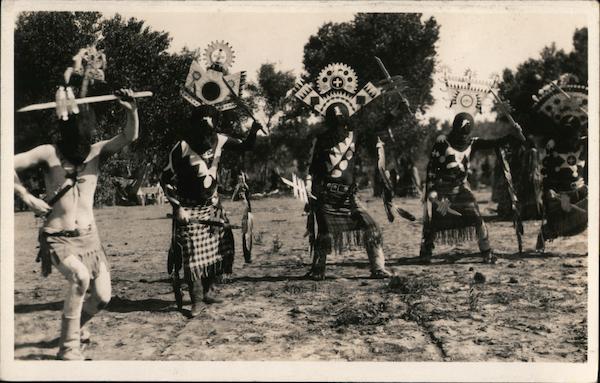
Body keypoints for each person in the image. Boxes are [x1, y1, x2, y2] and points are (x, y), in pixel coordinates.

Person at [14, 46, 139, 360]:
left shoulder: (96, 151)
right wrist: (25, 196)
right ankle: (67, 351)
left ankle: (77, 326)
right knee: (80, 279)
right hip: (59, 240)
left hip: (91, 241)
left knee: (104, 298)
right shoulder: (48, 153)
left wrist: (131, 109)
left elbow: (128, 137)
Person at [161, 105, 262, 317]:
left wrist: (254, 129)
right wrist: (177, 207)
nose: (206, 126)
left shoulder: (220, 139)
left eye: (210, 121)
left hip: (213, 206)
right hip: (188, 209)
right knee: (192, 255)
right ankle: (196, 300)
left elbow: (246, 146)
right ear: (193, 125)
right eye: (201, 122)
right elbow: (165, 180)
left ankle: (208, 291)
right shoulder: (181, 147)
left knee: (222, 248)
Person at [419, 112, 524, 264]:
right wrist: (431, 189)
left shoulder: (472, 143)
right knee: (437, 220)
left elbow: (495, 142)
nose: (463, 132)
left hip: (461, 189)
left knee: (476, 216)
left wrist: (513, 133)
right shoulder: (442, 142)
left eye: (467, 128)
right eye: (461, 127)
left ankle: (486, 251)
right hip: (443, 189)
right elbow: (432, 167)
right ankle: (426, 250)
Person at [304, 103, 393, 280]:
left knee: (371, 226)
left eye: (340, 118)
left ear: (346, 119)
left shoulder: (355, 136)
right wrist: (310, 192)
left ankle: (378, 268)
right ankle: (318, 269)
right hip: (326, 195)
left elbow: (377, 128)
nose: (338, 122)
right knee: (324, 233)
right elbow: (312, 169)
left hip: (348, 196)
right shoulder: (321, 140)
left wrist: (393, 111)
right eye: (334, 119)